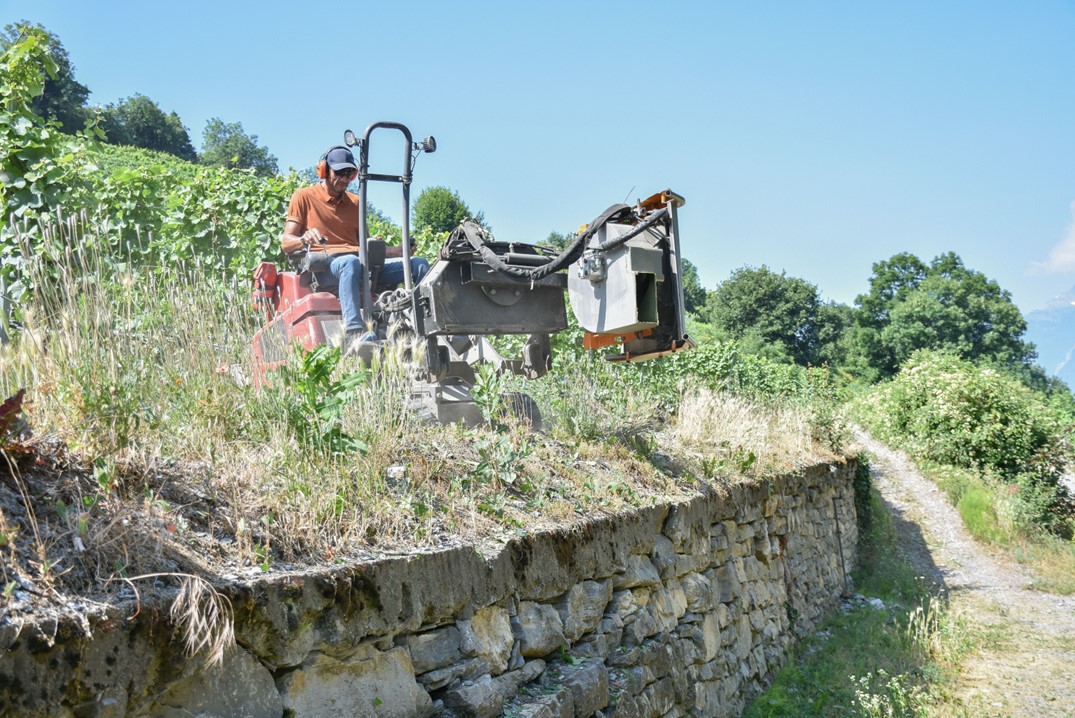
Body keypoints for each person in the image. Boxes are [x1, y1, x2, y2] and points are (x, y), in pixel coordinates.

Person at [280, 146, 429, 341]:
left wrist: (399, 251)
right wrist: (302, 239)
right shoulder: (304, 197)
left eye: (349, 173)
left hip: (360, 264)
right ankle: (355, 331)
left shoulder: (356, 203)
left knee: (418, 264)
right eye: (339, 172)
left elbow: (365, 248)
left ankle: (427, 326)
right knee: (349, 262)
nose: (344, 179)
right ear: (324, 170)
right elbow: (286, 243)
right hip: (327, 268)